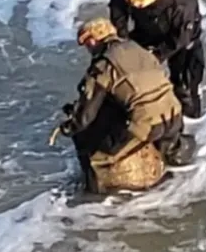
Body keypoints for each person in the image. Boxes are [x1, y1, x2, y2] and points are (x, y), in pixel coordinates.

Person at [57, 17, 197, 192]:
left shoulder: (103, 65)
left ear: (92, 41)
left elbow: (85, 116)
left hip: (146, 125)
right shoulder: (139, 49)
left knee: (93, 151)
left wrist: (69, 127)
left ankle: (95, 196)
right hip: (174, 114)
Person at [108, 0, 205, 119]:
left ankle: (190, 122)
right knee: (124, 70)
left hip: (182, 41)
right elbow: (117, 7)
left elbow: (181, 37)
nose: (136, 6)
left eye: (139, 3)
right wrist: (123, 39)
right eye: (132, 3)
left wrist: (156, 56)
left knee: (184, 88)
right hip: (146, 30)